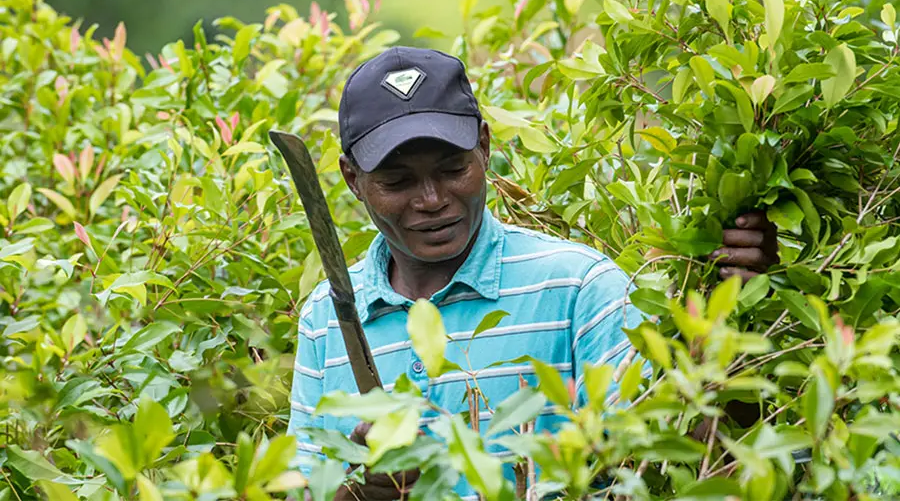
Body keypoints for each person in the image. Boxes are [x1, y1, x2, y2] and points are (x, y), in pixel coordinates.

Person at [287, 47, 778, 500]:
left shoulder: (579, 288)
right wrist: (354, 493)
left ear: (483, 146)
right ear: (353, 179)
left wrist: (734, 324)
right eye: (397, 182)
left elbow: (673, 455)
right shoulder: (326, 317)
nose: (432, 200)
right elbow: (305, 484)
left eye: (453, 170)